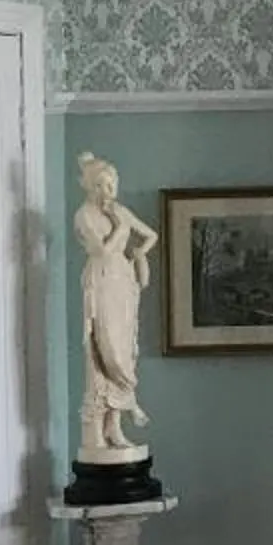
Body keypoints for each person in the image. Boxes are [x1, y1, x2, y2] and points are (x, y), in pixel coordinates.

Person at [75, 153, 158, 460]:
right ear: (89, 186)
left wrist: (139, 254)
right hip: (101, 280)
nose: (108, 191)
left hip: (123, 281)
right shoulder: (84, 215)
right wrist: (122, 229)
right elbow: (103, 251)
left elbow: (151, 235)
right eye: (101, 185)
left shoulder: (119, 211)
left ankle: (115, 426)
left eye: (111, 185)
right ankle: (100, 426)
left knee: (124, 347)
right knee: (104, 348)